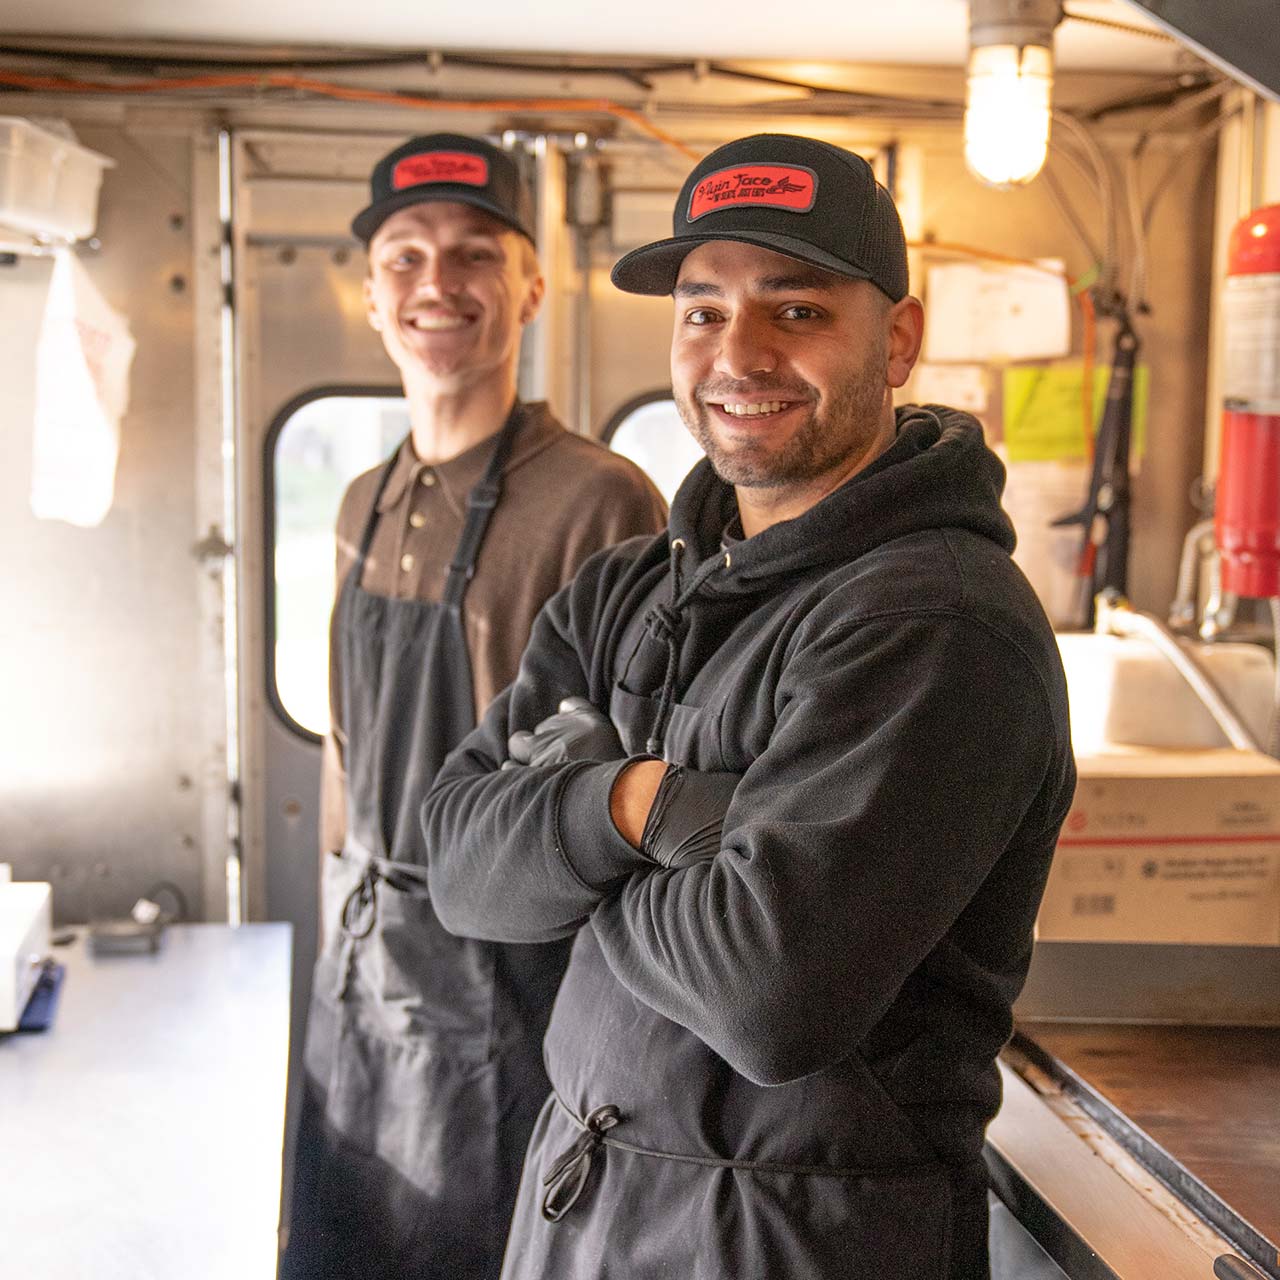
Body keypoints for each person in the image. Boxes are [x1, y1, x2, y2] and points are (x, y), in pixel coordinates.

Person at [422, 132, 1076, 1279]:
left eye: (797, 312)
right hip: (588, 1202)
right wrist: (637, 807)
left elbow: (767, 989)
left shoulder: (934, 622)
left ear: (899, 339)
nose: (740, 353)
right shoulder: (627, 586)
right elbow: (459, 865)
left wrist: (564, 862)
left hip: (796, 1240)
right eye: (702, 310)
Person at [282, 133, 666, 1280]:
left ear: (532, 286)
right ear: (371, 295)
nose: (434, 284)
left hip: (510, 983)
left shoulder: (598, 497)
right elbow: (346, 759)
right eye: (403, 258)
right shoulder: (361, 497)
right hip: (359, 970)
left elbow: (633, 785)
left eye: (471, 254)